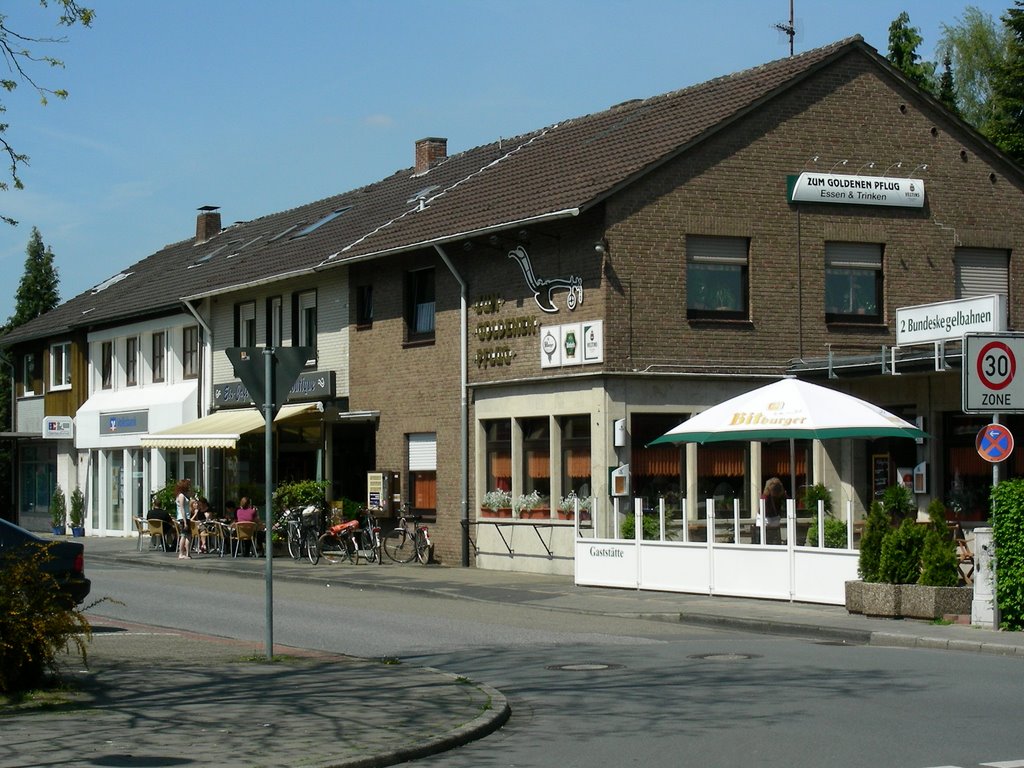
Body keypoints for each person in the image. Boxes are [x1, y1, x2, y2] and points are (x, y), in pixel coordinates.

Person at [760, 476, 787, 545]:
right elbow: (763, 507)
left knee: (775, 538)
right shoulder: (766, 497)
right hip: (765, 517)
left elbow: (788, 501)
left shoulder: (780, 495)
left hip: (774, 517)